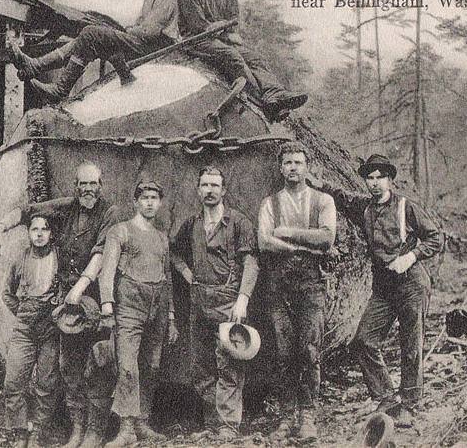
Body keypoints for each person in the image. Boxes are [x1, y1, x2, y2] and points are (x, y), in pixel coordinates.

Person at [307, 154, 444, 426]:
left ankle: (410, 406)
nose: (374, 183)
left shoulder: (406, 206)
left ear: (390, 179)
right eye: (370, 178)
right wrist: (317, 183)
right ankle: (386, 398)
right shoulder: (365, 209)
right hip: (383, 287)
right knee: (363, 341)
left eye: (380, 177)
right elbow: (342, 197)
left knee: (411, 345)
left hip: (411, 283)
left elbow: (435, 237)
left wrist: (411, 256)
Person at [0, 161, 119, 448]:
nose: (88, 190)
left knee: (99, 364)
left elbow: (101, 253)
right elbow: (31, 211)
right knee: (69, 366)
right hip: (66, 305)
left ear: (101, 186)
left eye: (93, 184)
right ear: (76, 187)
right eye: (83, 184)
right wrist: (1, 226)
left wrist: (80, 286)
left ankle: (95, 432)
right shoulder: (67, 206)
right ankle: (76, 429)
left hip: (95, 296)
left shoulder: (108, 213)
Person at [9, 0, 179, 103]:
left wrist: (128, 30)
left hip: (156, 49)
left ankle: (60, 88)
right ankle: (36, 66)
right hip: (146, 44)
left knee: (90, 33)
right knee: (86, 38)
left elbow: (150, 31)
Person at [171, 166, 258, 440]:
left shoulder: (238, 222)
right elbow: (173, 251)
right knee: (202, 365)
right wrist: (187, 274)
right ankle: (213, 421)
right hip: (199, 304)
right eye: (205, 185)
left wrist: (242, 300)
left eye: (215, 186)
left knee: (229, 365)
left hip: (228, 302)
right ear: (198, 190)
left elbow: (251, 262)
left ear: (224, 190)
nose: (210, 191)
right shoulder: (192, 224)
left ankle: (229, 424)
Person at [257, 141, 337, 442]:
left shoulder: (323, 201)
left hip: (311, 283)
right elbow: (264, 242)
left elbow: (327, 238)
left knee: (309, 348)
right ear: (280, 168)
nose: (293, 168)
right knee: (283, 350)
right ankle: (285, 416)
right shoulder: (270, 203)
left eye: (298, 162)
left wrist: (287, 234)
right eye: (288, 163)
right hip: (278, 284)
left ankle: (307, 416)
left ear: (308, 167)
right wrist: (304, 244)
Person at [178, 0, 308, 122]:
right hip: (196, 41)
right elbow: (199, 26)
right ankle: (262, 101)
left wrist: (223, 28)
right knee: (232, 56)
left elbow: (234, 21)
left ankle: (274, 92)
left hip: (222, 38)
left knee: (255, 58)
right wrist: (221, 27)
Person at [98, 180, 179, 447]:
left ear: (160, 202)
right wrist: (107, 305)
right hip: (129, 306)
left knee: (151, 366)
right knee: (128, 368)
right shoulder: (120, 231)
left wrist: (170, 316)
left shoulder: (161, 237)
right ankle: (126, 429)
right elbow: (107, 270)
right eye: (144, 198)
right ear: (135, 201)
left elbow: (167, 277)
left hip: (157, 307)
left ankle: (143, 422)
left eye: (154, 198)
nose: (149, 202)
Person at [2, 211, 62, 448]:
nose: (39, 234)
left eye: (44, 229)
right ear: (28, 233)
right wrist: (24, 315)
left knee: (46, 383)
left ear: (51, 233)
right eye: (34, 229)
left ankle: (38, 432)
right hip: (25, 329)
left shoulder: (60, 258)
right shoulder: (20, 259)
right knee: (13, 382)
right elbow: (7, 293)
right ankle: (19, 431)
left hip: (50, 328)